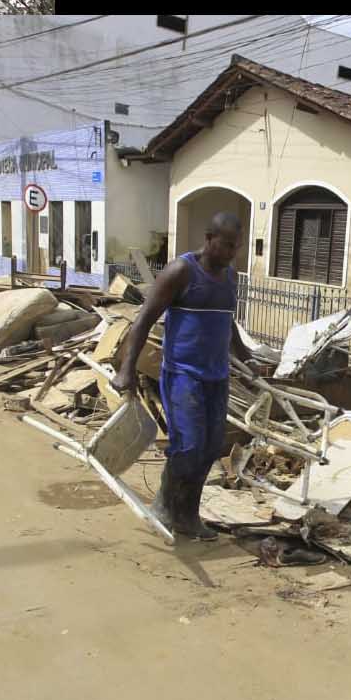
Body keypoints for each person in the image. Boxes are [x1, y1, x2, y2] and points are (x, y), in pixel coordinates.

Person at [110, 211, 258, 540]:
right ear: (209, 239)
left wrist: (246, 356)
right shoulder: (181, 271)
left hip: (217, 377)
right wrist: (126, 369)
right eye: (226, 245)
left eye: (236, 247)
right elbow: (144, 319)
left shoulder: (230, 276)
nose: (231, 253)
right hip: (183, 375)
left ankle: (188, 515)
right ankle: (164, 504)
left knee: (211, 447)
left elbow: (226, 320)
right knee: (188, 445)